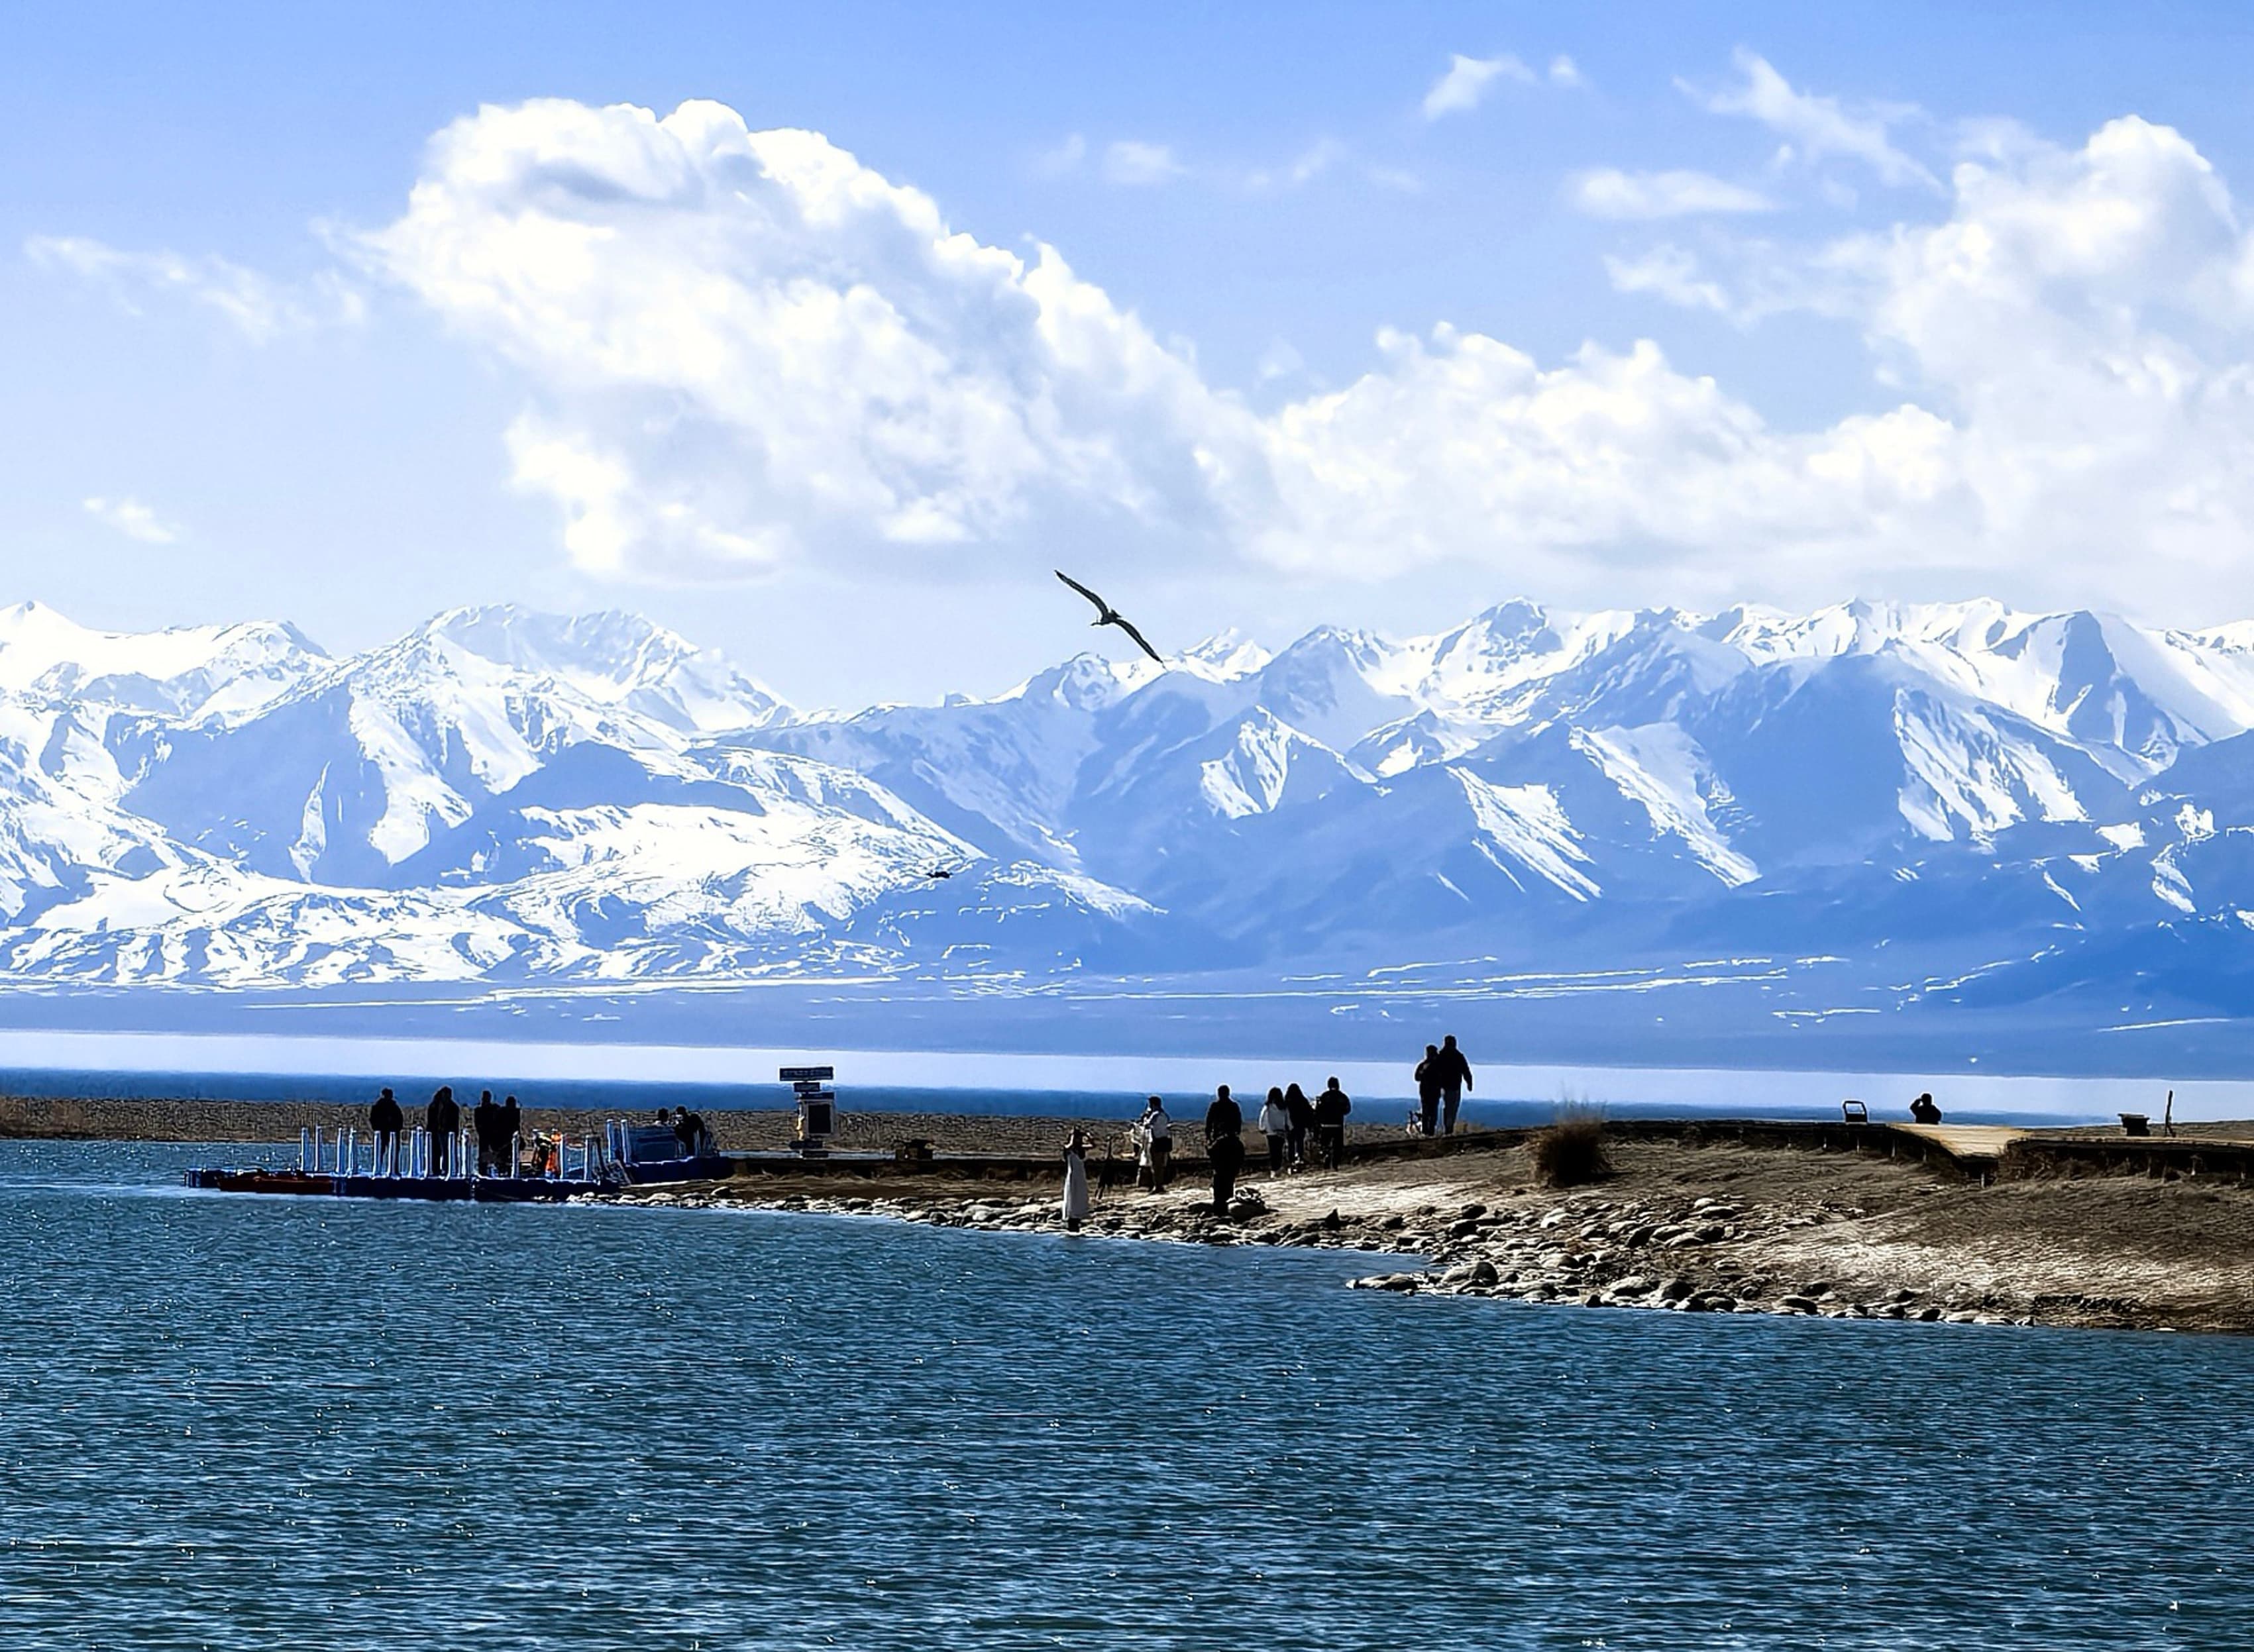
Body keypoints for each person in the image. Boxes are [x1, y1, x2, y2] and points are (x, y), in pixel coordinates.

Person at [1205, 1085, 1245, 1216]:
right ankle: (1228, 1197)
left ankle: (1219, 1200)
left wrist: (1209, 1138)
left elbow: (1209, 1122)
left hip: (1220, 1139)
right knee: (1230, 1172)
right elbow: (1238, 1122)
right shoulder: (1234, 1106)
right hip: (1232, 1139)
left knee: (1219, 1171)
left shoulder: (1215, 1106)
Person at [1131, 1097, 1173, 1192]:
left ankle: (1157, 1186)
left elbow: (1147, 1125)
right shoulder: (1164, 1115)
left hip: (1156, 1142)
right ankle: (1160, 1184)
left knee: (1155, 1165)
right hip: (1164, 1141)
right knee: (1161, 1165)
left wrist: (1145, 1118)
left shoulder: (1155, 1115)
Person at [1435, 1035, 1474, 1135]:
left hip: (1445, 1086)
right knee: (1452, 1108)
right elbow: (1466, 1071)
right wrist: (1469, 1083)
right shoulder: (1458, 1056)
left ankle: (1448, 1127)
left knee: (1447, 1107)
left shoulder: (1441, 1056)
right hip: (1454, 1086)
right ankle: (1449, 1128)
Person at [1313, 1076, 1352, 1170]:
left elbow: (1318, 1111)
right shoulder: (1342, 1096)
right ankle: (1335, 1163)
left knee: (1325, 1144)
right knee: (1338, 1147)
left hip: (1326, 1125)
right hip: (1338, 1125)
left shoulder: (1324, 1096)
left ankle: (1326, 1158)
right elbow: (1347, 1110)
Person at [1060, 1128, 1093, 1231]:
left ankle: (1078, 1216)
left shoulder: (1081, 1149)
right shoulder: (1068, 1148)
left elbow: (1093, 1145)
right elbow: (1069, 1146)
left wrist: (1088, 1137)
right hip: (1073, 1175)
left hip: (1080, 1175)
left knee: (1080, 1195)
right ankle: (1071, 1216)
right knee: (1072, 1195)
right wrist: (1073, 1136)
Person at [368, 1087, 404, 1176]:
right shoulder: (379, 1107)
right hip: (383, 1132)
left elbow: (400, 1119)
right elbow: (373, 1119)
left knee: (393, 1152)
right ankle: (379, 1168)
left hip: (392, 1132)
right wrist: (377, 1129)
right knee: (380, 1152)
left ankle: (394, 1170)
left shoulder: (393, 1107)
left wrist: (397, 1128)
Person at [426, 1085, 460, 1176]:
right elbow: (431, 1120)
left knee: (447, 1152)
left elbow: (455, 1122)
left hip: (448, 1133)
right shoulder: (435, 1106)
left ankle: (448, 1169)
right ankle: (436, 1169)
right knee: (436, 1152)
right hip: (437, 1132)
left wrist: (455, 1133)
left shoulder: (453, 1107)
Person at [1258, 1086, 1292, 1175]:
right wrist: (1290, 1128)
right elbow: (1288, 1119)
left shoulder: (1267, 1107)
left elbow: (1262, 1118)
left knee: (1273, 1151)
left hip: (1270, 1132)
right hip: (1281, 1132)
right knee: (1279, 1151)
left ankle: (1274, 1169)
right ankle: (1278, 1167)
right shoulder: (1284, 1107)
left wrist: (1262, 1128)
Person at [1284, 1082, 1313, 1169]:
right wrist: (1309, 1126)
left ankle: (1291, 1160)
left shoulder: (1286, 1102)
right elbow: (1309, 1113)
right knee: (1300, 1142)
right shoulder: (1303, 1101)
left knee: (1291, 1143)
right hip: (1300, 1125)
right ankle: (1299, 1157)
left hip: (1289, 1126)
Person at [1414, 1045, 1442, 1136]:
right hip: (1429, 1092)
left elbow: (1417, 1077)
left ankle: (1428, 1130)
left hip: (1431, 1091)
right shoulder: (1430, 1065)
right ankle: (1428, 1130)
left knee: (1429, 1111)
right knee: (1429, 1111)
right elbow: (1417, 1077)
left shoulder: (1426, 1065)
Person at [472, 1090, 502, 1175]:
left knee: (494, 1153)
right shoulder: (479, 1110)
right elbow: (477, 1124)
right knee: (483, 1154)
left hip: (493, 1135)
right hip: (484, 1135)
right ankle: (483, 1170)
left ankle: (494, 1168)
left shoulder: (494, 1108)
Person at [498, 1094, 523, 1175]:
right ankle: (503, 1169)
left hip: (512, 1138)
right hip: (504, 1139)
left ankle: (511, 1168)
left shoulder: (515, 1113)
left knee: (513, 1153)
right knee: (504, 1156)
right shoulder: (502, 1113)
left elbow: (517, 1126)